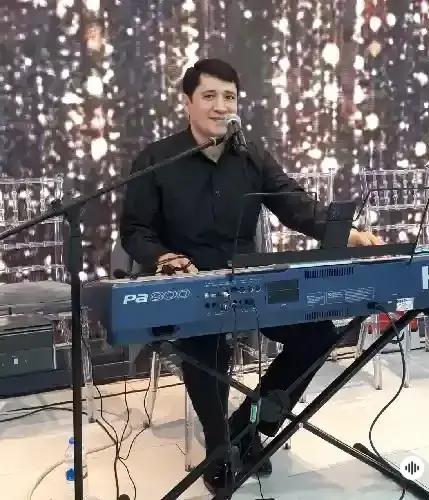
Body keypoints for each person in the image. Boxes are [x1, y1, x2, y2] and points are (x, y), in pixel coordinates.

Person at [119, 58, 381, 493]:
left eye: (230, 97)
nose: (221, 106)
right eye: (209, 96)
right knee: (206, 342)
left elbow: (295, 205)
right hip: (190, 288)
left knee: (317, 335)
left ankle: (249, 425)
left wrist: (350, 235)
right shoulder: (156, 159)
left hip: (248, 283)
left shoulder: (251, 156)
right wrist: (165, 257)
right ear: (187, 102)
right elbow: (134, 231)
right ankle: (219, 447)